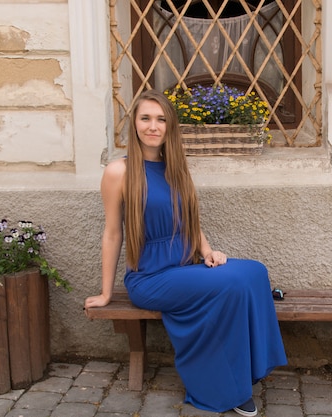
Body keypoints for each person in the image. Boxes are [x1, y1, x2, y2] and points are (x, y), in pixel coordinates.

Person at [84, 89, 287, 416]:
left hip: (186, 265)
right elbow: (112, 233)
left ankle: (249, 370)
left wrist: (208, 251)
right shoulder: (118, 172)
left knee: (254, 272)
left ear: (170, 126)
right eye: (146, 118)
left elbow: (191, 220)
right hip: (150, 277)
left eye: (161, 119)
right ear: (134, 124)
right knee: (231, 286)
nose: (153, 126)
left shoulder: (174, 167)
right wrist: (106, 292)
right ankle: (227, 390)